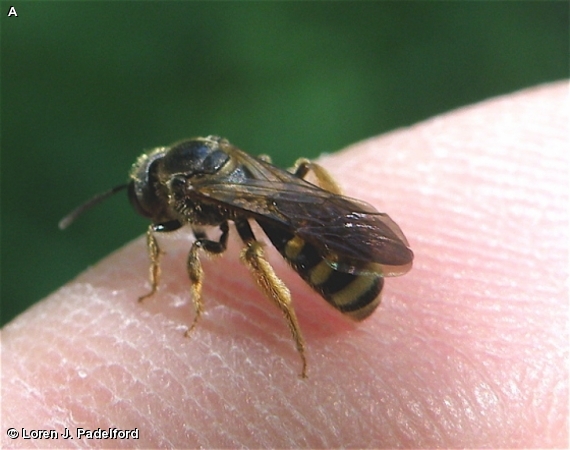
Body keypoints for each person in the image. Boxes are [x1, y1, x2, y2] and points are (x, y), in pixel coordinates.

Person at [2, 82, 567, 448]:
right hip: (296, 207)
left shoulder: (189, 196)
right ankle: (336, 218)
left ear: (168, 190)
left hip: (320, 253)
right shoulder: (216, 158)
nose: (155, 213)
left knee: (234, 247)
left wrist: (180, 295)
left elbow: (203, 240)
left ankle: (294, 329)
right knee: (264, 221)